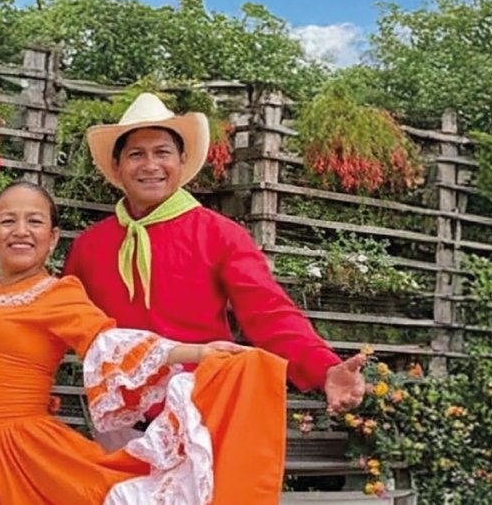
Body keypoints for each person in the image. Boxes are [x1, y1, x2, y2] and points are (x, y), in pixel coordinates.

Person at [0, 181, 289, 504]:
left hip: (23, 451)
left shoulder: (59, 293)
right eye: (8, 221)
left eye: (34, 222)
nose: (20, 230)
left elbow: (107, 346)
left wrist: (196, 352)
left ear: (52, 239)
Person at [62, 92, 367, 421]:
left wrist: (324, 367)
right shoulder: (90, 245)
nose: (150, 165)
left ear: (181, 161)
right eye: (136, 154)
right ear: (117, 167)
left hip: (204, 411)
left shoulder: (220, 234)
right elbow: (61, 321)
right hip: (117, 416)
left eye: (162, 152)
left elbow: (269, 313)